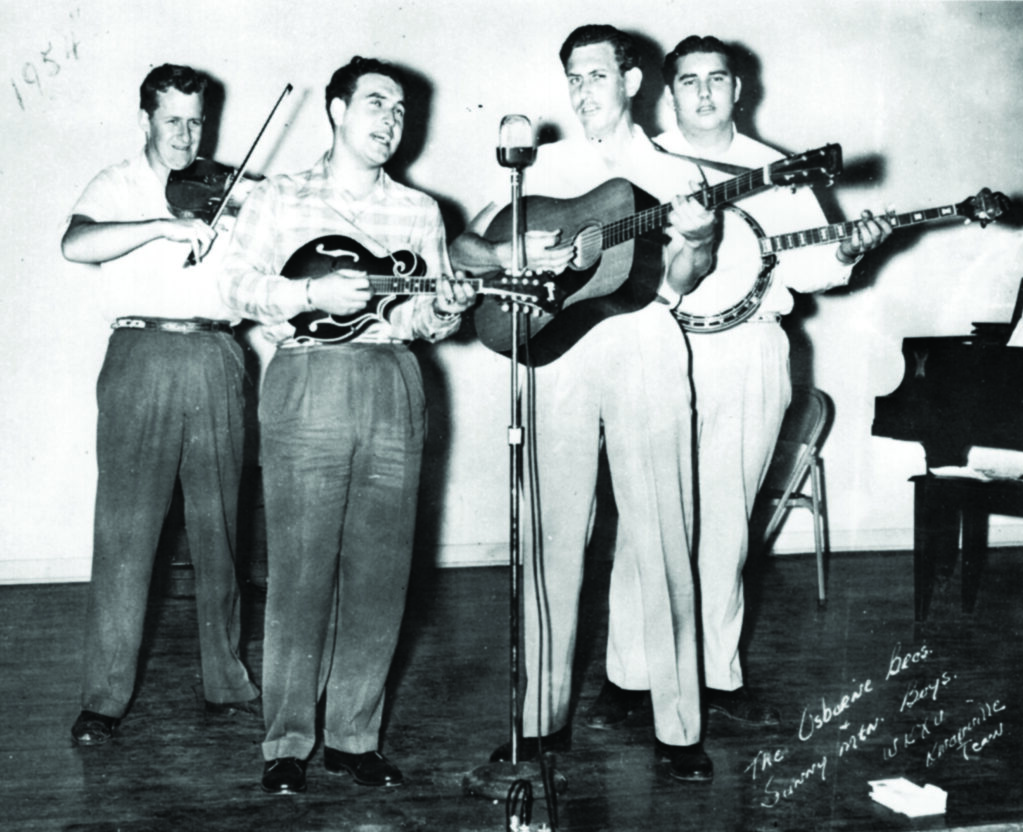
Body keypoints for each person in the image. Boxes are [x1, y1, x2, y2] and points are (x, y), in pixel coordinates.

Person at [585, 35, 891, 732]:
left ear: (736, 90)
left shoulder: (777, 169)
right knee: (645, 521)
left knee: (726, 524)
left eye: (715, 79)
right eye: (687, 81)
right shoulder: (641, 162)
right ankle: (629, 679)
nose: (702, 92)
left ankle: (718, 675)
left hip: (752, 350)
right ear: (667, 93)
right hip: (663, 347)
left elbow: (810, 268)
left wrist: (845, 250)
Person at [451, 24, 720, 782]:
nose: (581, 91)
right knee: (548, 540)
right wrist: (512, 255)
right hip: (558, 355)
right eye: (572, 77)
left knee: (665, 533)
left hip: (645, 343)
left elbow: (686, 278)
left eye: (595, 76)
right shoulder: (545, 170)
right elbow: (465, 251)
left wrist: (695, 242)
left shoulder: (677, 173)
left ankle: (678, 728)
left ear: (632, 83)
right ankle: (539, 723)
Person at [220, 56, 477, 796]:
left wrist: (448, 306)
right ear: (336, 110)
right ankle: (287, 743)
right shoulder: (281, 196)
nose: (390, 121)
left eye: (400, 110)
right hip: (306, 382)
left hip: (392, 381)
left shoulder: (420, 212)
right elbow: (234, 285)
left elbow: (420, 318)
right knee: (300, 571)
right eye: (375, 104)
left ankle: (355, 736)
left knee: (381, 570)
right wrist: (307, 291)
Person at [62, 64, 261, 747]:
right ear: (144, 119)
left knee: (221, 531)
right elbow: (75, 242)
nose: (186, 134)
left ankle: (225, 680)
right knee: (125, 534)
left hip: (216, 355)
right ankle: (104, 697)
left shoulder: (226, 187)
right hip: (141, 355)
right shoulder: (116, 183)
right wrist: (159, 225)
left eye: (196, 121)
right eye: (173, 119)